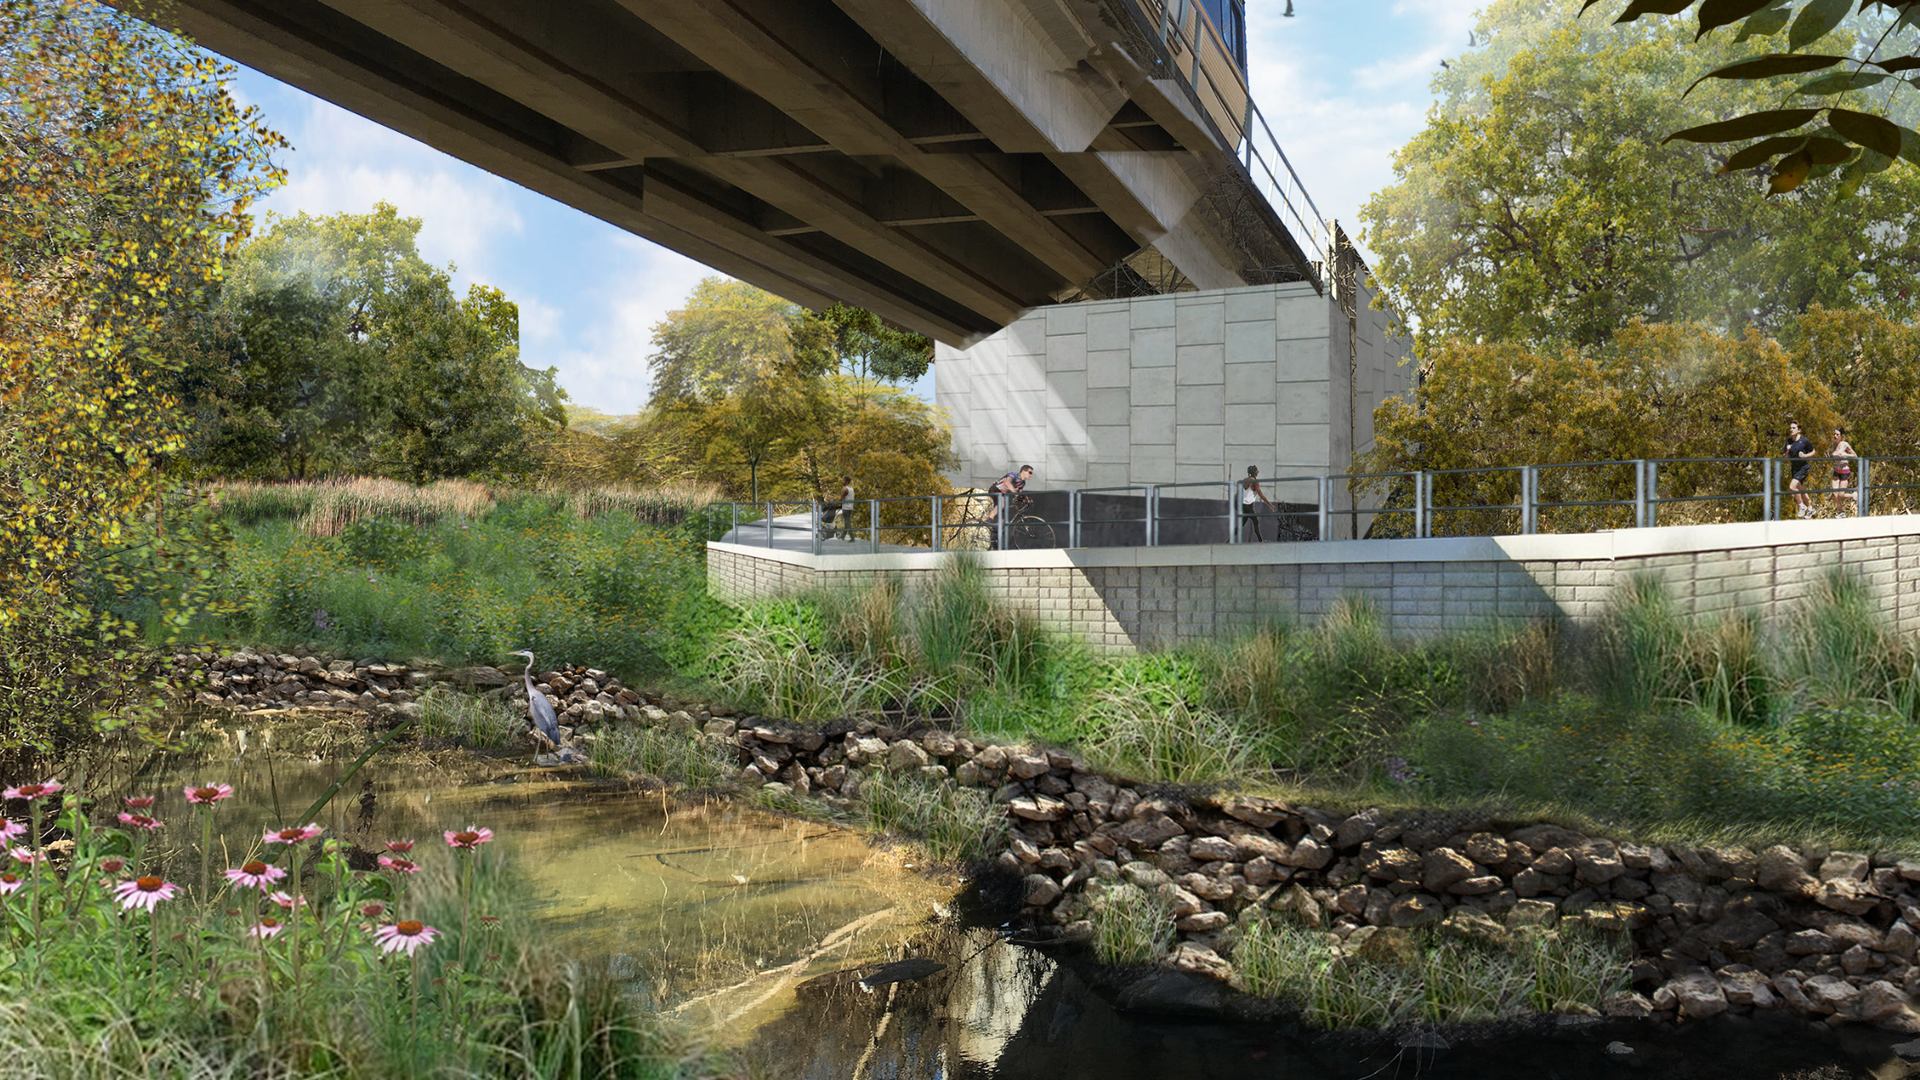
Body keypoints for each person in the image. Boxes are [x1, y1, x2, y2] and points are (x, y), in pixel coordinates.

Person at [982, 464, 1032, 547]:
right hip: (995, 489)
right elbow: (1007, 482)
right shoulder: (1013, 475)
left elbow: (1019, 495)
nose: (1031, 475)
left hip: (1002, 493)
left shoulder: (1022, 483)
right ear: (1023, 471)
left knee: (1003, 519)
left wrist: (1026, 499)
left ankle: (995, 536)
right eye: (1030, 472)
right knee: (1003, 503)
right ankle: (990, 518)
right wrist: (1015, 492)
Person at [1784, 420, 1816, 519]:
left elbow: (1813, 452)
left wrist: (1805, 455)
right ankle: (1810, 509)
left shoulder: (1804, 441)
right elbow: (1785, 457)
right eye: (1790, 428)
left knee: (1792, 487)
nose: (1791, 430)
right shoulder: (1788, 441)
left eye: (1794, 428)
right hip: (1794, 468)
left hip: (1803, 468)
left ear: (1799, 430)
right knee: (1802, 490)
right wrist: (1788, 450)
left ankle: (1801, 506)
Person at [1239, 465, 1277, 541]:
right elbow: (1261, 495)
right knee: (1255, 522)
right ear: (1255, 472)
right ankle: (1261, 540)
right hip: (1248, 506)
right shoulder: (1255, 482)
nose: (1258, 472)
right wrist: (1270, 505)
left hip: (1244, 505)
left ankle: (1229, 540)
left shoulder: (1245, 480)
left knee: (1248, 523)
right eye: (1257, 471)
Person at [1829, 427, 1857, 516]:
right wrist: (1828, 457)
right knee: (1834, 494)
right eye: (1834, 434)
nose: (1835, 436)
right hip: (1836, 471)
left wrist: (1845, 454)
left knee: (1841, 494)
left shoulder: (1845, 444)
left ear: (1841, 436)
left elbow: (1855, 455)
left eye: (1837, 434)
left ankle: (1853, 495)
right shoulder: (1833, 445)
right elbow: (1834, 458)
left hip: (1844, 471)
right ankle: (1841, 512)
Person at [833, 474, 855, 540]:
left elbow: (841, 498)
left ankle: (852, 537)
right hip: (850, 507)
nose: (842, 482)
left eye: (843, 480)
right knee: (846, 521)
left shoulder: (845, 489)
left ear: (847, 482)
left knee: (847, 522)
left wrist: (836, 504)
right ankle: (843, 536)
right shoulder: (851, 489)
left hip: (846, 507)